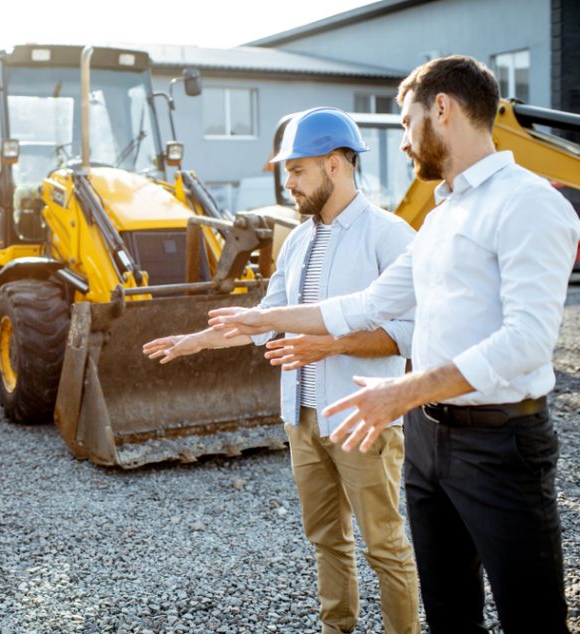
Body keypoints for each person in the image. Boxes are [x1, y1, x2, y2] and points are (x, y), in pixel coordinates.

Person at [208, 55, 580, 634]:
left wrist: (401, 390)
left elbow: (528, 342)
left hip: (502, 444)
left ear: (442, 109)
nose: (404, 143)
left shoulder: (528, 203)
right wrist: (260, 318)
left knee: (530, 617)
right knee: (450, 612)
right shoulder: (441, 216)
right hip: (430, 442)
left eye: (406, 124)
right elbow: (366, 304)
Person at [144, 107, 420, 634]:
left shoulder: (389, 235)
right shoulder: (295, 241)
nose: (287, 182)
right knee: (326, 541)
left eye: (297, 170)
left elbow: (408, 335)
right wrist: (194, 342)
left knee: (384, 545)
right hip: (302, 419)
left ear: (335, 164)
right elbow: (264, 320)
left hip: (363, 419)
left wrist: (326, 347)